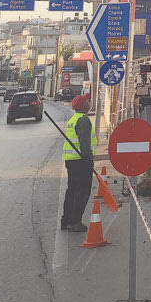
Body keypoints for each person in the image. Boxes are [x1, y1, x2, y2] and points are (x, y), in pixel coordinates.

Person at [60, 93, 97, 232]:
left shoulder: (73, 119)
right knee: (82, 192)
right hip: (81, 161)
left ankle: (66, 220)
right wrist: (89, 160)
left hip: (71, 161)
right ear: (84, 106)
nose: (90, 102)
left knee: (72, 191)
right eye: (88, 101)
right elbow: (85, 144)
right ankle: (75, 221)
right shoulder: (83, 120)